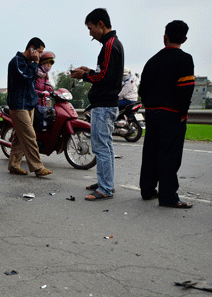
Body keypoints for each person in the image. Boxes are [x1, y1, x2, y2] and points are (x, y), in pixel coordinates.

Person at [138, 20, 195, 208]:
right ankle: (168, 197)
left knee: (151, 153)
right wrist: (182, 113)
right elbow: (185, 90)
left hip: (152, 112)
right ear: (185, 39)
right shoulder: (185, 59)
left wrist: (151, 106)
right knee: (169, 156)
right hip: (172, 114)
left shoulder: (152, 61)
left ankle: (147, 190)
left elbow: (142, 90)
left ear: (165, 37)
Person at [71, 8, 124, 201]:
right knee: (106, 146)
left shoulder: (110, 45)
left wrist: (84, 75)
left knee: (101, 147)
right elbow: (105, 73)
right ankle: (105, 182)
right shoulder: (111, 44)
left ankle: (105, 188)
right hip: (106, 103)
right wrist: (89, 70)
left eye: (91, 28)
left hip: (104, 104)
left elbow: (105, 77)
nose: (90, 33)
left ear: (101, 24)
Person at [6, 37, 53, 177]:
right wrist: (34, 63)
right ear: (31, 48)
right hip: (18, 105)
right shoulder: (17, 62)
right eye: (39, 51)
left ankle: (14, 165)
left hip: (29, 104)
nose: (40, 55)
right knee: (30, 135)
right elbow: (26, 77)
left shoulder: (30, 63)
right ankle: (38, 167)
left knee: (20, 137)